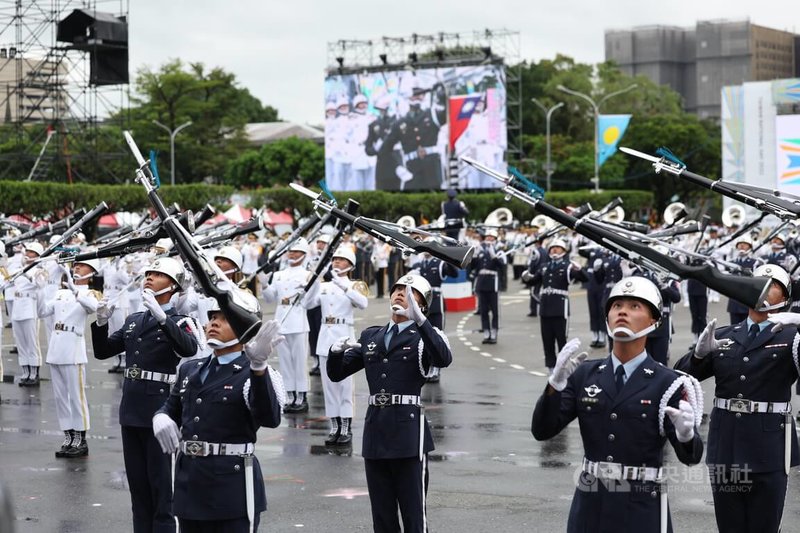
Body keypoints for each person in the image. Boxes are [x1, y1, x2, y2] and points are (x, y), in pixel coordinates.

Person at [532, 276, 704, 532]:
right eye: (616, 306)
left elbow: (690, 457)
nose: (622, 311)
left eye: (635, 306)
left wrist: (687, 436)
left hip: (641, 508)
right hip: (590, 505)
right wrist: (553, 388)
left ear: (655, 321)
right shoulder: (584, 374)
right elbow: (542, 430)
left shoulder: (668, 382)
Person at [675, 264, 799, 533]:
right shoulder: (723, 335)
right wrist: (697, 356)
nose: (763, 289)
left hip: (769, 449)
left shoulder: (793, 337)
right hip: (726, 446)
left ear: (786, 298)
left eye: (773, 284)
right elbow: (678, 380)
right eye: (757, 283)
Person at [327, 274, 453, 532]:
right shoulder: (372, 335)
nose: (400, 293)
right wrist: (335, 353)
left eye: (409, 291)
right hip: (376, 432)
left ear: (422, 304)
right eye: (397, 289)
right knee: (382, 516)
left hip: (408, 434)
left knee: (413, 514)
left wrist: (421, 322)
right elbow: (337, 373)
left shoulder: (425, 337)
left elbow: (442, 358)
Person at [152, 291, 285, 533]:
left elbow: (269, 417)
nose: (213, 322)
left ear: (245, 327)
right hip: (190, 484)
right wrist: (160, 416)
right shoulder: (191, 369)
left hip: (231, 488)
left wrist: (259, 368)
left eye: (223, 318)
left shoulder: (253, 371)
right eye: (212, 317)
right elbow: (172, 407)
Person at [91, 257, 200, 533]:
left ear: (173, 286)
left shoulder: (181, 321)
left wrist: (164, 319)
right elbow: (103, 351)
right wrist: (101, 322)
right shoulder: (134, 319)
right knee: (139, 491)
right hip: (131, 410)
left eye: (157, 274)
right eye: (148, 273)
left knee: (162, 490)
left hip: (160, 411)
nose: (149, 277)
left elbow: (188, 349)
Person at [37, 258, 102, 458]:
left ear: (91, 272)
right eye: (76, 265)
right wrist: (40, 290)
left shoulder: (91, 293)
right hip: (56, 348)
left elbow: (93, 308)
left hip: (73, 350)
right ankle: (68, 435)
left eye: (81, 266)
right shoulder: (59, 292)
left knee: (76, 397)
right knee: (60, 397)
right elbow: (42, 312)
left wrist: (75, 289)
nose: (76, 268)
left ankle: (81, 439)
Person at [307, 246, 369, 446]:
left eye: (341, 260)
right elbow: (308, 304)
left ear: (350, 265)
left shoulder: (355, 285)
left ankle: (346, 426)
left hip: (344, 337)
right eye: (334, 259)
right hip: (325, 337)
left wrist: (341, 285)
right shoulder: (324, 286)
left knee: (345, 386)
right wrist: (314, 280)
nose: (336, 262)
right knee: (329, 386)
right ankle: (334, 425)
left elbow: (362, 304)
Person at [262, 237, 318, 413]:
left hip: (299, 321)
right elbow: (271, 299)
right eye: (291, 251)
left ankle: (301, 395)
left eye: (297, 252)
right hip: (281, 321)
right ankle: (290, 395)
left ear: (303, 254)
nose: (292, 254)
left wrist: (312, 286)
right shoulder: (279, 274)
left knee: (299, 362)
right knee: (285, 362)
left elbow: (311, 303)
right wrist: (264, 285)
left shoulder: (307, 275)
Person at [527, 238, 587, 371]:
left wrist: (580, 269)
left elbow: (585, 278)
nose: (554, 250)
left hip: (560, 309)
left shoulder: (567, 266)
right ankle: (550, 369)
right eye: (552, 248)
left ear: (564, 251)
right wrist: (526, 277)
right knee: (547, 341)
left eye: (558, 248)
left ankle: (562, 369)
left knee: (561, 342)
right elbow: (533, 281)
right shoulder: (544, 266)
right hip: (545, 308)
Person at [410, 238, 459, 383]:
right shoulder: (418, 264)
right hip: (421, 303)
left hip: (436, 303)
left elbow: (454, 273)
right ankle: (424, 367)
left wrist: (445, 255)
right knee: (421, 337)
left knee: (436, 336)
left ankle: (436, 370)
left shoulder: (440, 263)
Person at [11, 241, 45, 386]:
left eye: (30, 252)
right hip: (17, 308)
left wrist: (28, 275)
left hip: (29, 309)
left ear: (36, 255)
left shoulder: (39, 270)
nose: (27, 254)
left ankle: (34, 373)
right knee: (21, 343)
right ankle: (25, 372)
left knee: (31, 343)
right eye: (27, 251)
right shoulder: (20, 268)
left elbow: (41, 284)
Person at [470, 229, 506, 344]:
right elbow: (473, 267)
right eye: (487, 237)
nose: (489, 239)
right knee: (484, 310)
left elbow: (502, 266)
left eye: (491, 237)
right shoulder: (480, 251)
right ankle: (486, 332)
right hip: (482, 283)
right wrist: (474, 255)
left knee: (495, 311)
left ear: (495, 239)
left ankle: (494, 332)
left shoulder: (499, 251)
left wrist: (494, 256)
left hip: (493, 283)